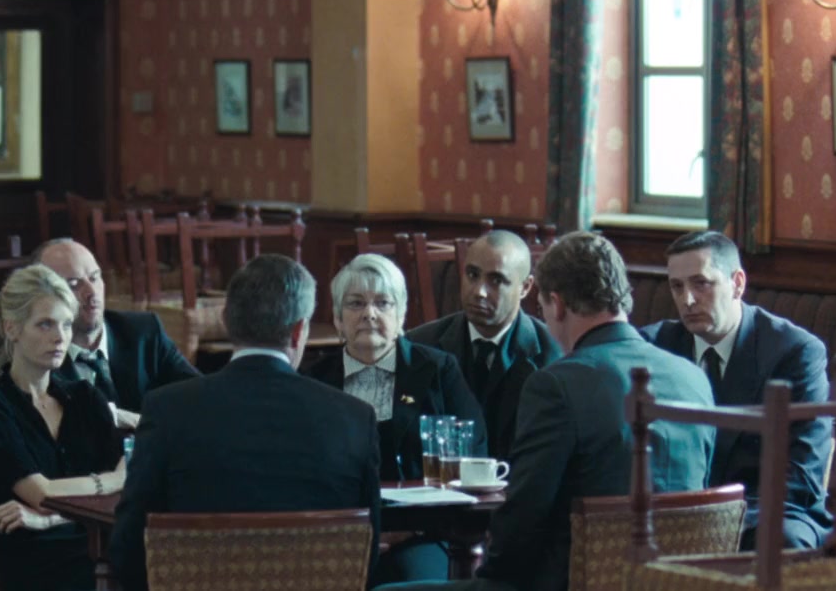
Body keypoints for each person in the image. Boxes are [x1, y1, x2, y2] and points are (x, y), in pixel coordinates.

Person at [380, 232, 715, 591]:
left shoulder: (556, 384)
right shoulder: (694, 379)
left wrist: (488, 574)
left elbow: (523, 517)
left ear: (556, 304)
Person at [110, 254, 381, 591]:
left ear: (227, 321)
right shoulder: (354, 419)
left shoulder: (168, 410)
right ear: (299, 331)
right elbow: (366, 557)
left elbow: (127, 550)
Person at [641, 230, 832, 549]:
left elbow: (803, 472)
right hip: (675, 511)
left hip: (766, 512)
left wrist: (718, 520)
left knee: (783, 540)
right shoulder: (655, 346)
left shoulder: (794, 352)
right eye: (677, 286)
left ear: (737, 283)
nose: (687, 300)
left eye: (701, 283)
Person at [303, 253, 484, 585]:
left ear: (401, 316)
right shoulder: (314, 381)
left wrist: (411, 530)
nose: (369, 314)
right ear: (338, 319)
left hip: (424, 534)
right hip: (340, 536)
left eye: (383, 303)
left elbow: (474, 454)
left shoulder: (438, 371)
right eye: (356, 303)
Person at [0, 264, 127, 591]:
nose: (60, 337)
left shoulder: (86, 397)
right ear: (11, 328)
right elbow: (41, 493)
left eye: (66, 324)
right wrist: (111, 480)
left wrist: (50, 518)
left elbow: (126, 494)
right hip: (33, 554)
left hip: (96, 539)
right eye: (45, 324)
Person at [408, 231, 562, 459]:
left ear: (525, 287)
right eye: (472, 275)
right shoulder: (419, 347)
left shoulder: (555, 356)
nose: (479, 292)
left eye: (496, 280)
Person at [35, 239, 201, 428]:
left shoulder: (143, 332)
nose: (91, 292)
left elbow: (199, 395)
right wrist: (115, 416)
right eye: (73, 284)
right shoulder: (35, 351)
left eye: (95, 277)